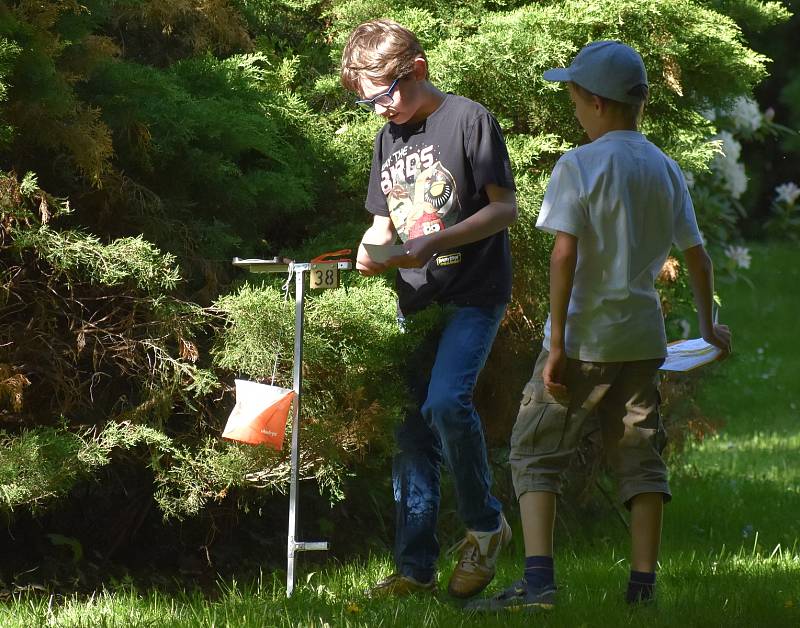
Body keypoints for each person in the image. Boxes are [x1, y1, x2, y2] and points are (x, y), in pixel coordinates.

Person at [468, 40, 732, 612]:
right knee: (640, 458)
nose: (573, 109)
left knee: (534, 450)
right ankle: (642, 589)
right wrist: (709, 326)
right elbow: (698, 259)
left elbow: (565, 255)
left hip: (585, 338)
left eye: (572, 99)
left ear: (594, 101)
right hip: (644, 342)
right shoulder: (664, 167)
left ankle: (538, 586)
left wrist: (556, 343)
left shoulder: (580, 164)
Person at [340, 19, 518, 599]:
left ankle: (486, 528)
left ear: (416, 69)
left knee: (446, 400)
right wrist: (371, 252)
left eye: (383, 96)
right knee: (411, 432)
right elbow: (380, 221)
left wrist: (437, 242)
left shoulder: (469, 120)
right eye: (366, 102)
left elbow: (503, 211)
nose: (378, 111)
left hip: (472, 293)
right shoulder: (387, 135)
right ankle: (415, 570)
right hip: (415, 300)